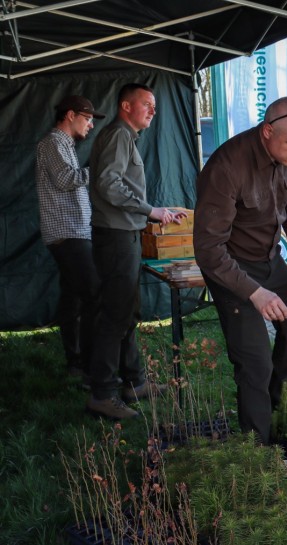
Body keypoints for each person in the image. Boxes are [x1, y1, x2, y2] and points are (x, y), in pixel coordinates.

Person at [194, 97, 287, 445]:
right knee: (254, 362)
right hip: (230, 269)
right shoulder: (226, 166)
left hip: (271, 259)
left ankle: (270, 406)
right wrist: (255, 293)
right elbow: (208, 250)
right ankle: (257, 451)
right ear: (268, 131)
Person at [89, 83, 184, 420]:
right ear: (126, 106)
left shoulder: (125, 137)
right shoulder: (117, 135)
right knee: (115, 315)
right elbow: (108, 183)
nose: (153, 111)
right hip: (114, 237)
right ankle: (102, 393)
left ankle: (134, 383)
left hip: (123, 234)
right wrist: (149, 210)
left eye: (155, 106)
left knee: (127, 313)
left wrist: (152, 211)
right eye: (147, 104)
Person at [35, 95, 105, 386]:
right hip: (68, 234)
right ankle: (91, 367)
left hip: (74, 231)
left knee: (73, 297)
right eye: (87, 118)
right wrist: (100, 169)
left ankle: (75, 363)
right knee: (93, 295)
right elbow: (65, 179)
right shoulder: (53, 143)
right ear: (70, 115)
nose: (90, 125)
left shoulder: (65, 145)